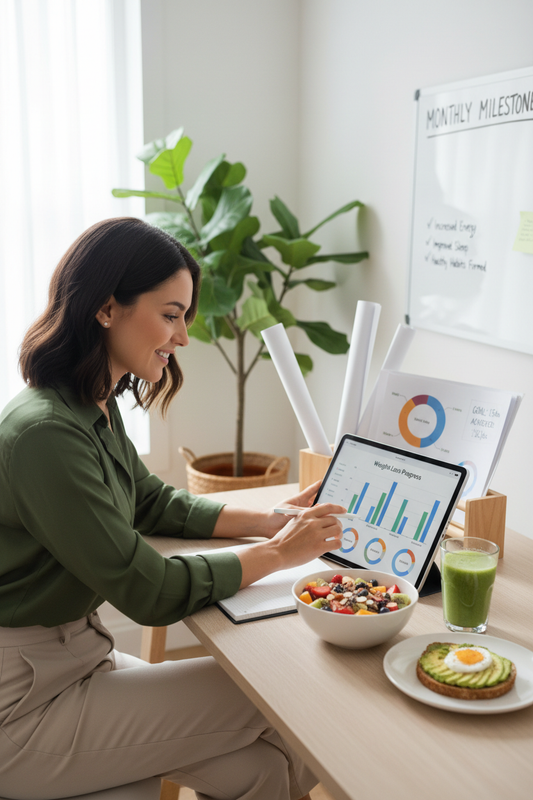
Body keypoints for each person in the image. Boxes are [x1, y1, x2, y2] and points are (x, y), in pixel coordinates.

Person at [0, 217, 344, 800]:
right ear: (107, 308)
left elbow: (152, 501)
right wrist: (278, 554)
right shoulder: (46, 434)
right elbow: (147, 589)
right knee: (292, 693)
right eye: (171, 314)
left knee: (261, 768)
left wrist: (268, 520)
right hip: (24, 703)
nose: (183, 337)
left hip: (76, 660)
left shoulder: (89, 408)